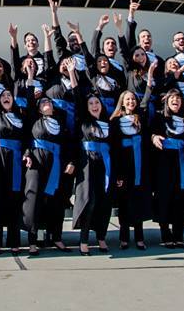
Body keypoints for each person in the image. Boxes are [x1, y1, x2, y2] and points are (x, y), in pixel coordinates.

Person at [0, 54, 28, 254]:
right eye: (3, 96)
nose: (6, 98)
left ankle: (14, 240)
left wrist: (27, 153)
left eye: (9, 96)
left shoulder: (21, 116)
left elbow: (28, 138)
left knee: (14, 197)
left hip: (17, 159)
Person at [22, 94, 73, 254]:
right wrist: (27, 154)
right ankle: (32, 241)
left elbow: (68, 144)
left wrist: (71, 161)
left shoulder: (61, 123)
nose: (47, 103)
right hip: (37, 161)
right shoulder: (33, 120)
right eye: (43, 102)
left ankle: (56, 237)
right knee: (34, 199)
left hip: (56, 163)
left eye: (49, 101)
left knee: (56, 200)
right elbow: (26, 139)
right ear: (38, 108)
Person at [150, 88, 184, 248]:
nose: (176, 101)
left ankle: (178, 235)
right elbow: (149, 133)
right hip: (163, 163)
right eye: (173, 98)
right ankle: (165, 234)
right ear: (167, 101)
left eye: (178, 99)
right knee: (164, 199)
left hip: (181, 161)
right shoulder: (159, 117)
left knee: (180, 199)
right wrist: (153, 136)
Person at [109, 83, 155, 250]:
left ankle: (140, 237)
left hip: (140, 167)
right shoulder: (114, 122)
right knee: (124, 204)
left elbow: (146, 101)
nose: (131, 102)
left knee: (138, 202)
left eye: (133, 99)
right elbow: (114, 150)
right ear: (122, 102)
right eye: (127, 99)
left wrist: (149, 84)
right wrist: (118, 175)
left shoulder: (141, 119)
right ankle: (124, 237)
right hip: (124, 169)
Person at [74, 94, 114, 255]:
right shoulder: (82, 123)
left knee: (104, 202)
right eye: (90, 103)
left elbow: (115, 148)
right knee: (89, 201)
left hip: (105, 165)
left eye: (97, 102)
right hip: (87, 164)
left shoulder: (110, 124)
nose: (94, 105)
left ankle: (101, 237)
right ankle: (83, 239)